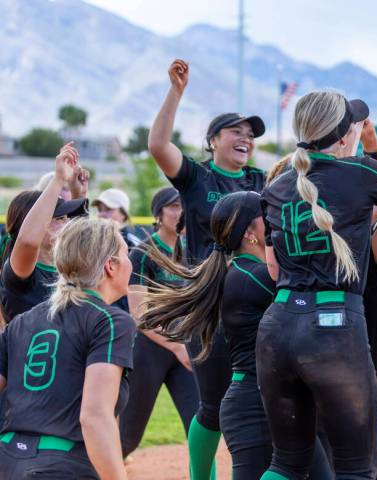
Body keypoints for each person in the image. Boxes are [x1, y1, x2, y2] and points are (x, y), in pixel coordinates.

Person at [257, 90, 377, 479]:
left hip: (278, 324)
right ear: (342, 138)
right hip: (333, 329)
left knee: (286, 464)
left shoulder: (277, 186)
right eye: (353, 124)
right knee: (356, 468)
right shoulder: (357, 171)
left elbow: (273, 271)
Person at [139, 192, 332, 479]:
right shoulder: (252, 277)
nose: (274, 219)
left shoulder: (242, 271)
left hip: (262, 401)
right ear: (249, 233)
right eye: (265, 215)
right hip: (255, 408)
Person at [147, 58, 268, 480]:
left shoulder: (262, 180)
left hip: (260, 303)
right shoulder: (197, 178)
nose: (246, 138)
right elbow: (159, 146)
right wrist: (176, 92)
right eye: (236, 131)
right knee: (214, 404)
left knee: (263, 396)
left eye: (250, 134)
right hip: (212, 304)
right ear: (213, 139)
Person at [0, 216, 135, 479]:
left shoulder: (22, 321)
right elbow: (95, 416)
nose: (130, 264)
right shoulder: (110, 319)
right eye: (126, 254)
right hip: (61, 467)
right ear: (110, 265)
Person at [118, 187, 198, 458]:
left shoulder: (194, 250)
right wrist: (175, 346)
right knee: (127, 436)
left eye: (183, 206)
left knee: (201, 430)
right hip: (149, 349)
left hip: (186, 347)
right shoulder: (143, 253)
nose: (180, 212)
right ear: (158, 215)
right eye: (173, 207)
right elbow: (139, 315)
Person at [0, 143, 88, 322]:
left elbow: (85, 241)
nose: (68, 223)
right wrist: (58, 179)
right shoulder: (22, 270)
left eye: (67, 217)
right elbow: (28, 242)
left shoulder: (66, 265)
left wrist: (78, 192)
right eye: (59, 218)